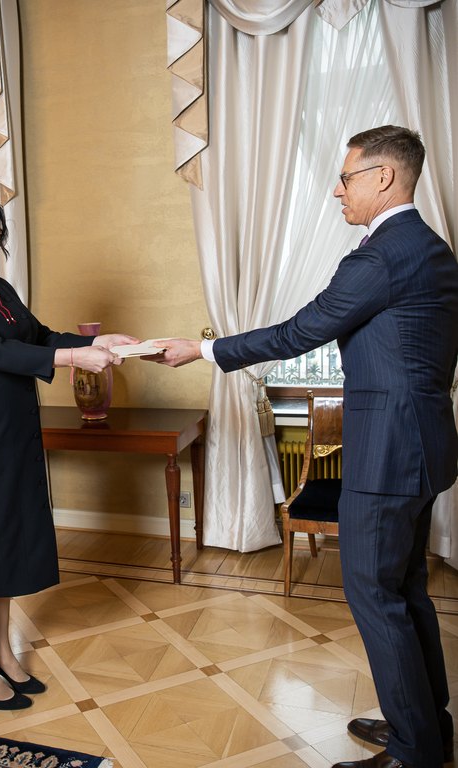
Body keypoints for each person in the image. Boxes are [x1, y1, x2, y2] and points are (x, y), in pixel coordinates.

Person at [145, 126, 458, 768]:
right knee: (407, 589)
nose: (336, 189)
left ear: (383, 179)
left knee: (376, 594)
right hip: (425, 445)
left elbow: (303, 329)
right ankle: (428, 726)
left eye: (346, 178)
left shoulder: (381, 256)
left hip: (388, 453)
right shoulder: (432, 249)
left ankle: (414, 752)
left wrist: (202, 349)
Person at [0, 182, 137, 710]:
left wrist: (92, 343)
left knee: (6, 544)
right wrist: (70, 362)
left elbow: (36, 337)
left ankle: (2, 652)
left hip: (11, 432)